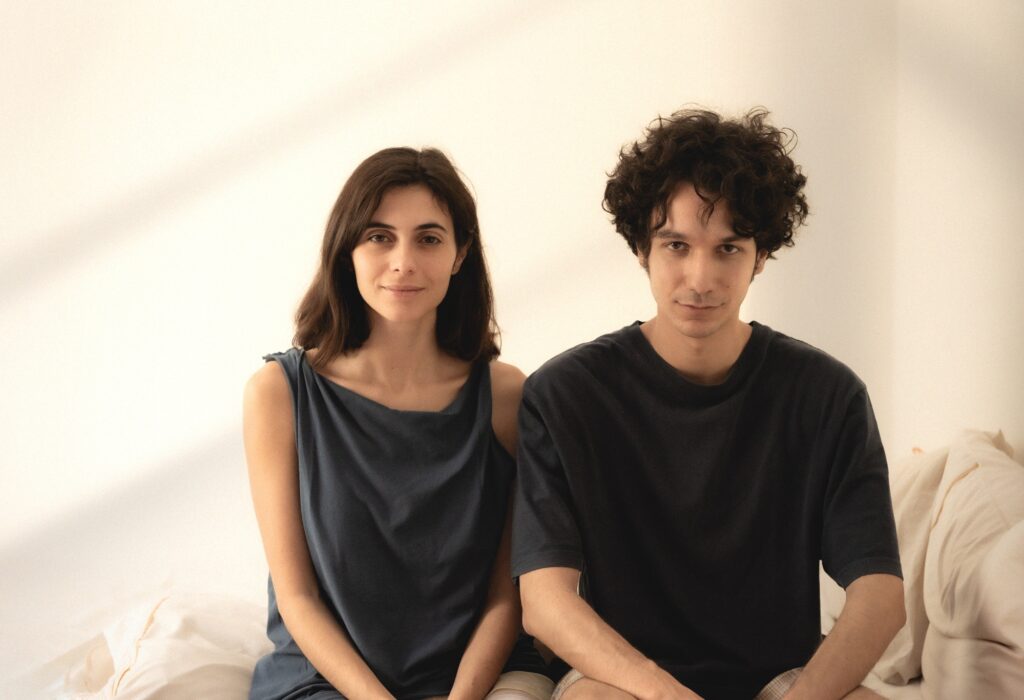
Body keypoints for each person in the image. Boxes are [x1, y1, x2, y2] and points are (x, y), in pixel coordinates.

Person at [511, 109, 906, 700]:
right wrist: (664, 693)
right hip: (623, 680)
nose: (700, 278)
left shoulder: (827, 395)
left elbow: (881, 596)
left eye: (728, 248)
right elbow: (545, 603)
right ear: (641, 248)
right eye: (676, 245)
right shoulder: (565, 394)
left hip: (780, 677)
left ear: (761, 255)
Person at [244, 147, 553, 700]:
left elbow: (504, 597)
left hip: (478, 680)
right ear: (347, 250)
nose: (403, 262)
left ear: (460, 254)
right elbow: (297, 598)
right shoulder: (279, 394)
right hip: (325, 682)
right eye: (379, 237)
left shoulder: (507, 397)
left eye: (429, 239)